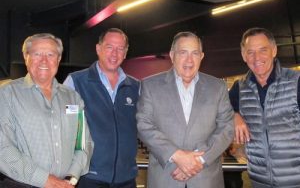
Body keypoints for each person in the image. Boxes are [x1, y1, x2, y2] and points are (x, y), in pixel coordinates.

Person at [137, 31, 234, 188]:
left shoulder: (217, 87)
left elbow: (227, 128)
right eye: (183, 52)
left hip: (206, 179)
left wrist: (197, 161)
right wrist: (177, 156)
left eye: (195, 53)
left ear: (201, 56)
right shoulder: (150, 86)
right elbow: (143, 125)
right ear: (172, 55)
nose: (189, 60)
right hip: (165, 178)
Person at [0, 33, 93, 188]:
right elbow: (2, 147)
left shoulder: (73, 98)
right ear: (26, 57)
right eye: (37, 54)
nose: (44, 60)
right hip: (21, 184)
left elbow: (83, 142)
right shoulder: (7, 94)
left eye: (50, 54)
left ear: (58, 59)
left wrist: (71, 177)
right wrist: (44, 179)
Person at [63, 28, 139, 188]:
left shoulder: (135, 87)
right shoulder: (76, 82)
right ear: (98, 49)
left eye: (120, 49)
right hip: (89, 177)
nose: (114, 53)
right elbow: (64, 127)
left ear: (125, 53)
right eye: (109, 47)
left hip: (126, 178)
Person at [229, 27, 300, 187]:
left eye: (263, 50)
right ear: (243, 55)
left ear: (274, 51)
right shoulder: (239, 88)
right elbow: (221, 109)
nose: (257, 58)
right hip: (259, 181)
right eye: (250, 52)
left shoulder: (296, 81)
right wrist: (234, 115)